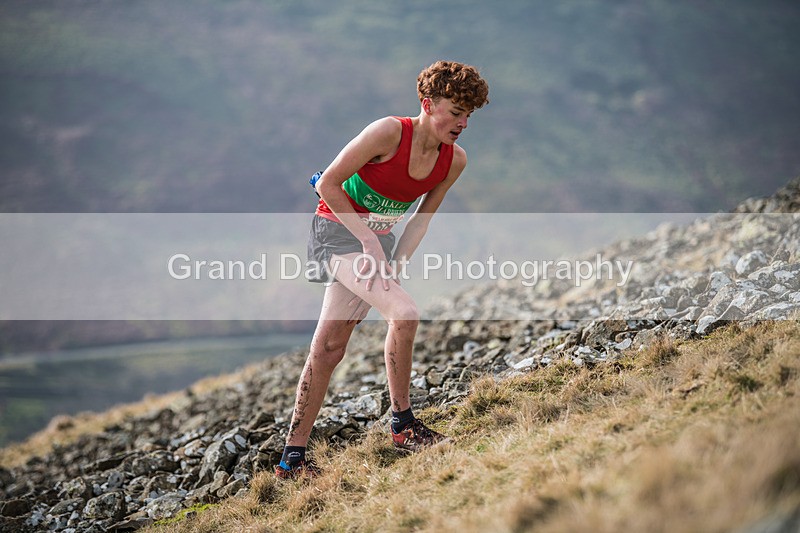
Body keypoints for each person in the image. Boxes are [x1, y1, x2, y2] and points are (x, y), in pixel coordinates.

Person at [276, 60, 489, 479]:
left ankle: (291, 462)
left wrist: (395, 264)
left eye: (468, 115)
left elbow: (420, 221)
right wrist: (369, 240)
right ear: (427, 104)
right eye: (455, 112)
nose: (463, 123)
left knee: (330, 348)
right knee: (405, 313)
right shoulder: (388, 132)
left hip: (378, 244)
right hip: (336, 233)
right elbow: (328, 183)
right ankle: (403, 426)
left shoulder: (454, 161)